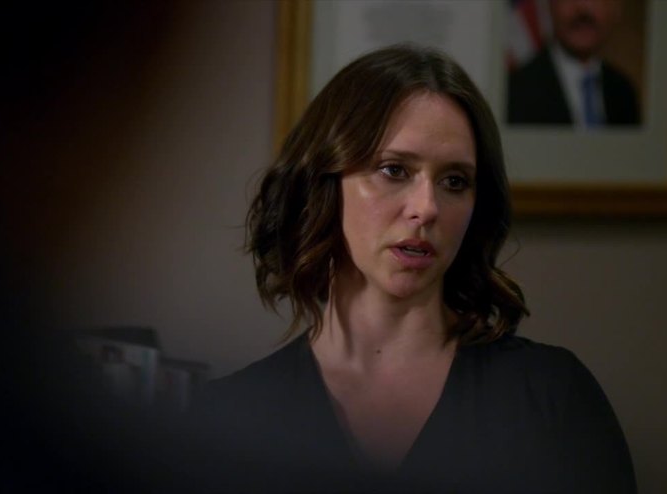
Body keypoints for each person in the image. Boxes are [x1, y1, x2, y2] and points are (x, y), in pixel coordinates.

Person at [198, 44, 637, 493]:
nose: (427, 208)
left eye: (454, 181)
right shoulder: (228, 417)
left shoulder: (551, 396)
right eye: (394, 170)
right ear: (323, 185)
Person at [507, 0, 640, 127]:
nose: (583, 8)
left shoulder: (624, 92)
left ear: (615, 10)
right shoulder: (516, 91)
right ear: (550, 5)